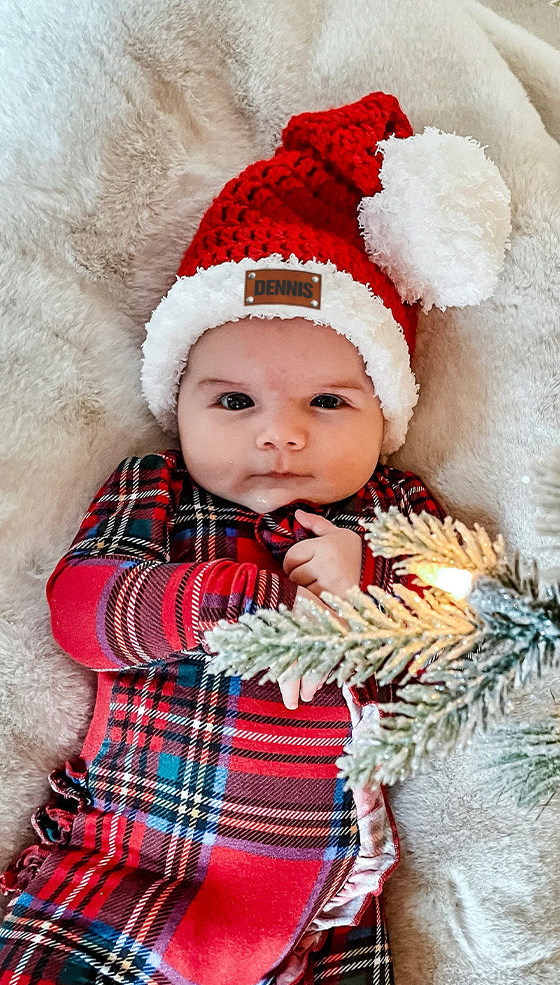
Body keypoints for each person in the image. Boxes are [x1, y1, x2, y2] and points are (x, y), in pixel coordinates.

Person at [0, 91, 510, 985]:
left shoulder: (395, 511)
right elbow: (82, 615)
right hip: (130, 861)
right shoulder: (157, 491)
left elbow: (477, 636)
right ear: (180, 404)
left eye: (327, 402)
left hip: (326, 911)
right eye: (235, 401)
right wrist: (230, 600)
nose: (281, 433)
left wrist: (379, 591)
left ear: (385, 414)